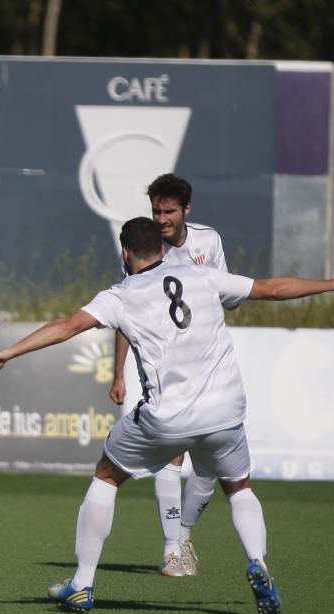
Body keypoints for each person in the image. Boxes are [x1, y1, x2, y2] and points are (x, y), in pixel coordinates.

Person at [0, 216, 334, 614]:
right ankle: (257, 561)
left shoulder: (119, 296)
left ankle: (81, 583)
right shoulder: (203, 276)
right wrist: (332, 282)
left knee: (107, 474)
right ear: (165, 248)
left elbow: (67, 326)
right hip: (224, 413)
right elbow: (273, 289)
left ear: (124, 252)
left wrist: (7, 354)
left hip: (167, 419)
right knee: (239, 487)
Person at [109, 174, 227, 577]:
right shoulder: (144, 249)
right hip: (165, 366)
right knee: (171, 457)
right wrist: (119, 373)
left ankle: (184, 535)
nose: (161, 218)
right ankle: (172, 550)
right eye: (156, 210)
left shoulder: (208, 242)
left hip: (208, 362)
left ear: (185, 211)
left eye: (169, 211)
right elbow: (126, 315)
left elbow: (229, 297)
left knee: (210, 468)